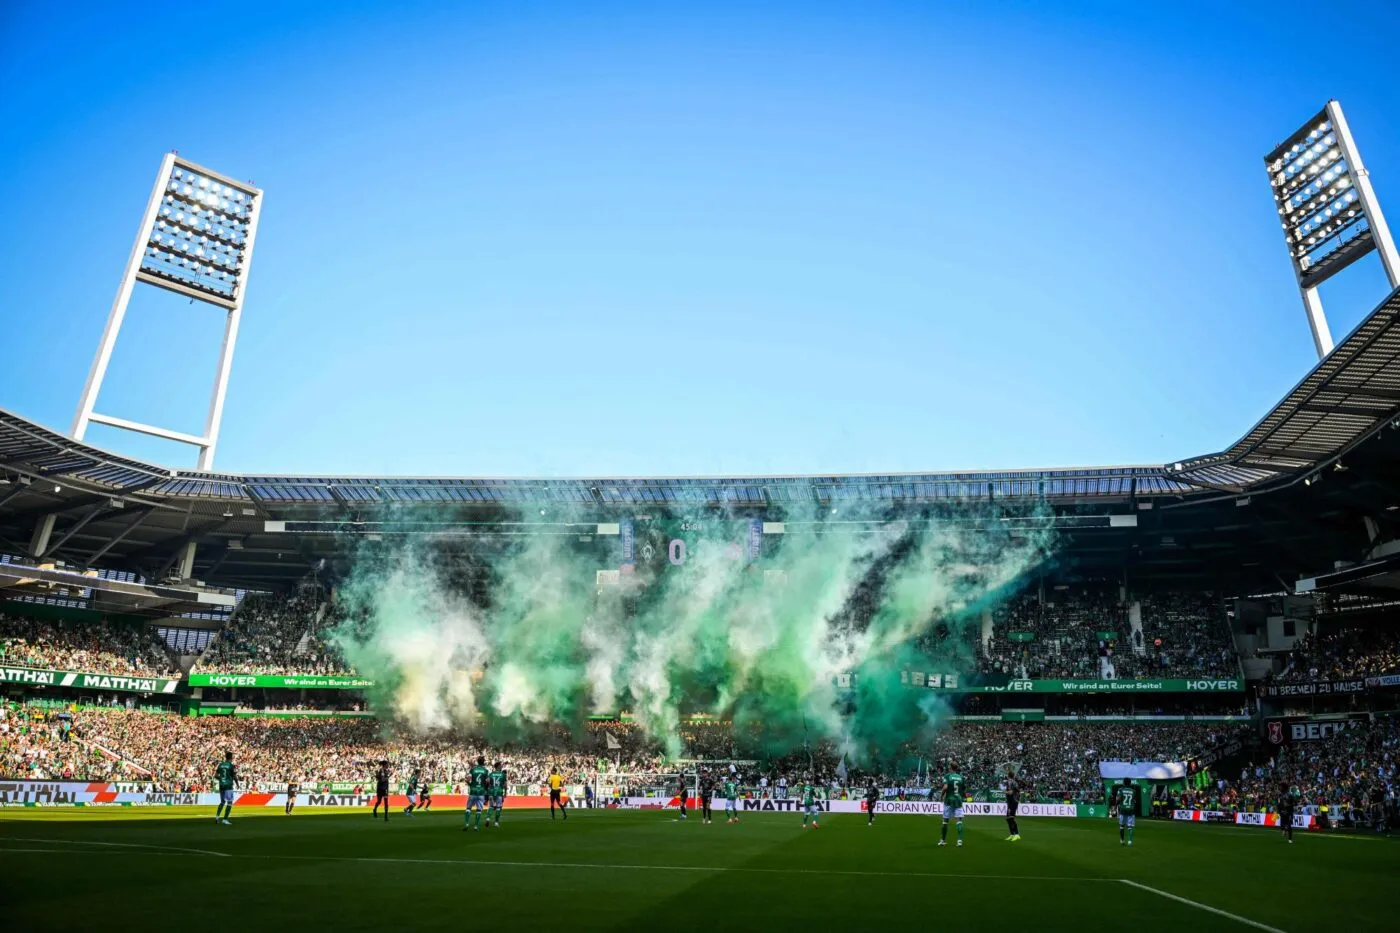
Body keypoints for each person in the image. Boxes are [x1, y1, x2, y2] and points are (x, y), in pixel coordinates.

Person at [939, 764, 965, 847]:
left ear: (950, 768)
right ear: (957, 768)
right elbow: (963, 790)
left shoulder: (947, 776)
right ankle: (959, 841)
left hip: (949, 799)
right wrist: (963, 797)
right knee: (959, 821)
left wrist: (941, 795)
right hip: (958, 800)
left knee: (945, 821)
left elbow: (945, 787)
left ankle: (943, 840)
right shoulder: (961, 777)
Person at [1112, 777, 1139, 847]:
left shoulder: (1120, 790)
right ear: (1130, 783)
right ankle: (1130, 841)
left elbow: (1118, 799)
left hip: (1123, 810)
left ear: (1123, 783)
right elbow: (1135, 801)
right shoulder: (1133, 791)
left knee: (1122, 826)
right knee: (1130, 827)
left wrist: (1115, 806)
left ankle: (1122, 840)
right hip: (1131, 810)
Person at [465, 756, 490, 831]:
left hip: (473, 791)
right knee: (479, 810)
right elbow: (488, 781)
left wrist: (470, 785)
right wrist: (484, 788)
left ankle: (466, 824)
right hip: (481, 792)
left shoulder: (473, 769)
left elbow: (468, 779)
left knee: (468, 808)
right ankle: (476, 826)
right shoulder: (485, 770)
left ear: (477, 761)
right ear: (483, 762)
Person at [213, 751, 238, 826]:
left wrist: (222, 779)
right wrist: (237, 783)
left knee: (222, 802)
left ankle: (217, 817)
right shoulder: (231, 765)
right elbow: (234, 776)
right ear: (231, 757)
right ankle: (225, 819)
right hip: (228, 785)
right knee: (229, 802)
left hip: (221, 785)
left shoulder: (221, 765)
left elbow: (216, 775)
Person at [1004, 770, 1022, 841]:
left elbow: (1011, 792)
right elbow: (1017, 791)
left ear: (1008, 775)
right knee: (1008, 818)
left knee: (1011, 818)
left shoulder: (1010, 782)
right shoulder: (1014, 782)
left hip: (1013, 801)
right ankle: (1012, 834)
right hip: (1012, 801)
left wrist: (1004, 791)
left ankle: (1016, 834)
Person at [489, 761, 507, 827]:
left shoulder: (491, 774)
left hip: (492, 792)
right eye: (501, 765)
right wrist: (505, 793)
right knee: (499, 807)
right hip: (499, 792)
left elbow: (488, 782)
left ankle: (488, 818)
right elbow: (505, 785)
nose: (502, 766)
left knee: (491, 806)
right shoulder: (503, 774)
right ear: (498, 766)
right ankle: (496, 822)